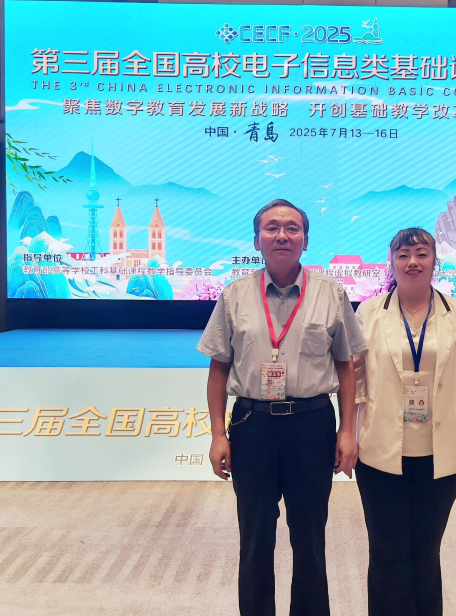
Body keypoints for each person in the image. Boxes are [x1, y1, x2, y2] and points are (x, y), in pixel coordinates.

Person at [197, 199, 367, 616]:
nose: (282, 235)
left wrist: (347, 431)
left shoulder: (331, 293)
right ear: (257, 240)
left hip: (311, 424)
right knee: (255, 537)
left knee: (310, 537)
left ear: (305, 240)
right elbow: (219, 369)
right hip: (252, 424)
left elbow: (346, 367)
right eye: (271, 227)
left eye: (292, 228)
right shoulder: (234, 295)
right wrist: (218, 434)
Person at [353, 227, 456, 616]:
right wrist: (348, 432)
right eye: (403, 254)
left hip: (440, 456)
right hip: (379, 454)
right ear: (391, 262)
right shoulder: (368, 312)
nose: (412, 261)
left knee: (426, 552)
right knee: (386, 551)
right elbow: (355, 382)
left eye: (422, 253)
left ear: (434, 261)